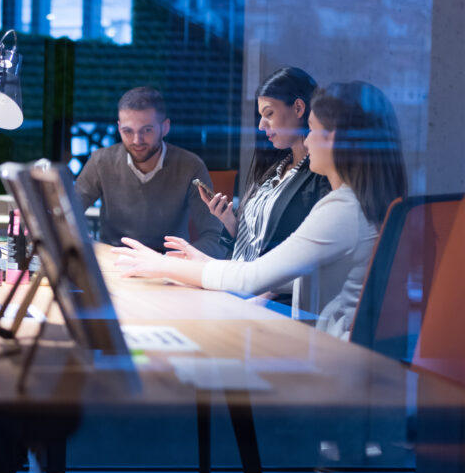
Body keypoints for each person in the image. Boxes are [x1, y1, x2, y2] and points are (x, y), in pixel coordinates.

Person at [113, 81, 407, 340]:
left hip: (330, 361)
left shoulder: (342, 209)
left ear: (337, 140)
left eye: (313, 130)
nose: (305, 140)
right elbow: (289, 272)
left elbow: (254, 278)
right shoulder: (362, 204)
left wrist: (161, 264)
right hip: (340, 355)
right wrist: (202, 264)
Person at [74, 86, 227, 257]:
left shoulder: (190, 166)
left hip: (169, 267)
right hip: (114, 263)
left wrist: (178, 260)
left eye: (147, 130)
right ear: (119, 128)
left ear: (165, 127)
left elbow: (216, 237)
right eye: (128, 131)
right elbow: (66, 213)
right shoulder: (101, 161)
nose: (136, 140)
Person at [198, 67, 331, 261]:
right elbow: (252, 245)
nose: (261, 125)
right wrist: (229, 220)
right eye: (261, 116)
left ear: (298, 108)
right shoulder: (273, 171)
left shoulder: (318, 176)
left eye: (269, 114)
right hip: (242, 280)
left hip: (268, 287)